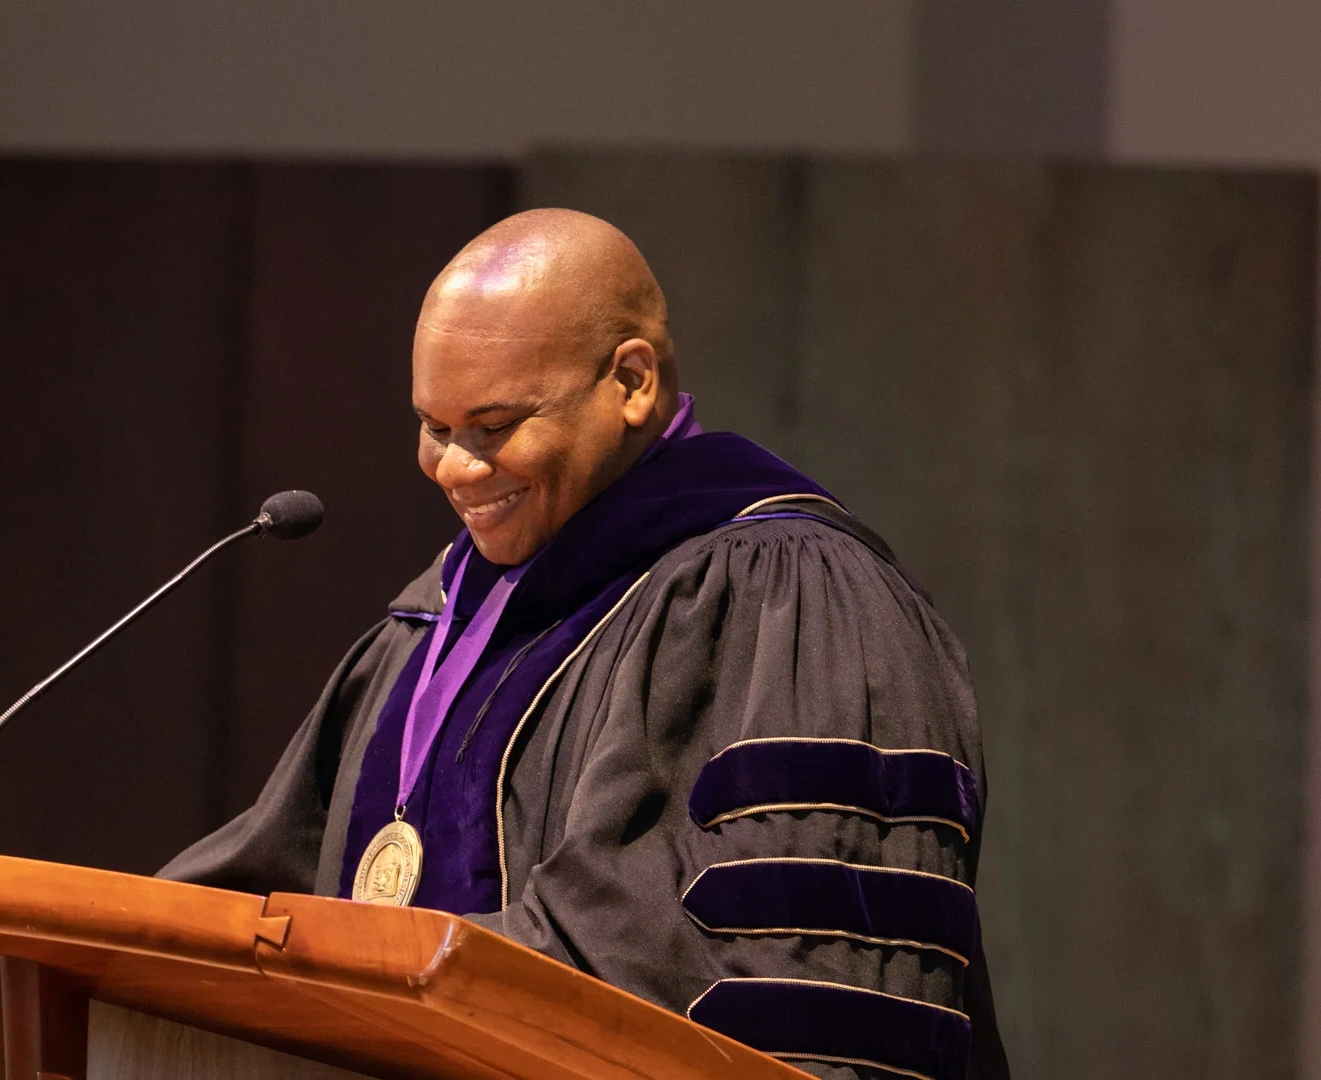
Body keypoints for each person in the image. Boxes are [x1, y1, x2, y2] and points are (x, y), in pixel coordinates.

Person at [160, 208, 1008, 1080]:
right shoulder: (436, 625)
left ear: (632, 381)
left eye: (491, 426)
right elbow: (259, 895)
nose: (454, 467)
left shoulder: (788, 600)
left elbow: (785, 987)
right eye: (434, 427)